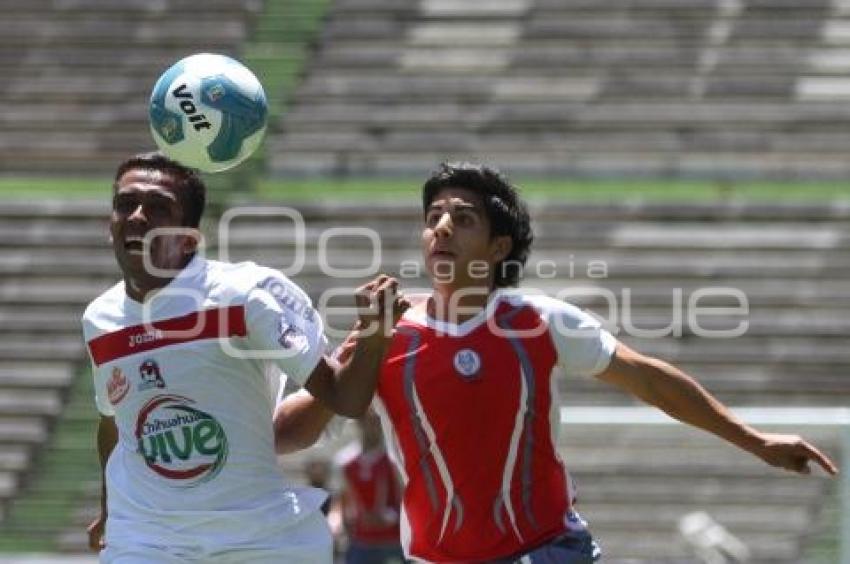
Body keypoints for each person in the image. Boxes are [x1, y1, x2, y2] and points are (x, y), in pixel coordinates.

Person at [279, 162, 839, 563]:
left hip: (551, 551)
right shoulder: (385, 330)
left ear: (499, 249)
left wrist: (755, 439)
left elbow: (647, 379)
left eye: (463, 218)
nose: (441, 228)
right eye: (433, 217)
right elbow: (299, 428)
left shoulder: (540, 321)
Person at [81, 152, 407, 563]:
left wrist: (374, 337)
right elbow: (113, 422)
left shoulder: (245, 296)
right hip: (146, 541)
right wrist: (110, 508)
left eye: (159, 207)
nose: (137, 216)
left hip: (256, 539)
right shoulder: (100, 319)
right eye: (125, 204)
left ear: (189, 237)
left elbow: (345, 398)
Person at [334, 410, 404, 564]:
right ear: (358, 423)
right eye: (366, 420)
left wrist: (392, 516)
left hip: (392, 541)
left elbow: (403, 498)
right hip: (361, 541)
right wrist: (345, 531)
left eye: (376, 421)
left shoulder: (393, 459)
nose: (371, 426)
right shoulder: (346, 462)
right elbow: (344, 501)